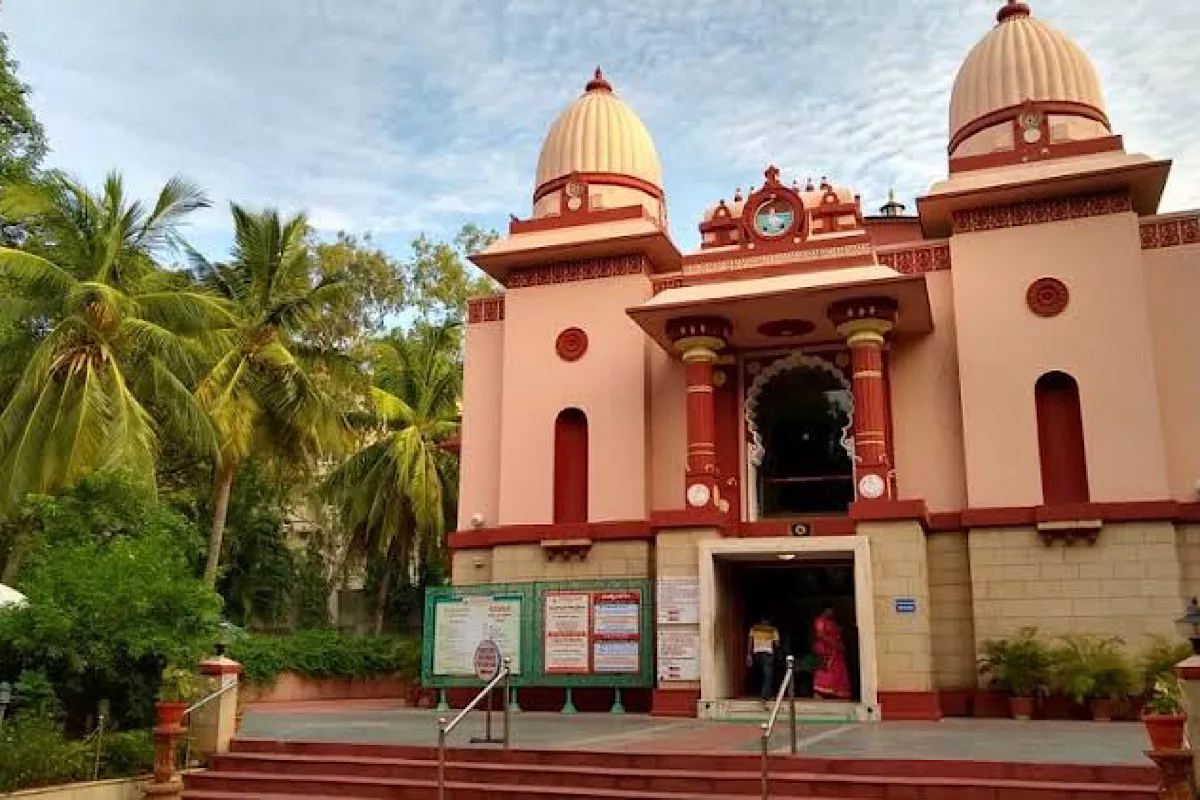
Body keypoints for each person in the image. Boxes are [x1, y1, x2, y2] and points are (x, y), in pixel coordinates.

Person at [813, 607, 851, 700]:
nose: (832, 612)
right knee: (824, 671)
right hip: (825, 651)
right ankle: (821, 692)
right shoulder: (820, 621)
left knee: (838, 671)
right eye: (830, 610)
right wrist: (833, 643)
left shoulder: (833, 623)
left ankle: (836, 691)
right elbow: (820, 634)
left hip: (836, 652)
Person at [747, 617, 780, 706]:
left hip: (757, 653)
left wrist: (749, 655)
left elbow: (750, 641)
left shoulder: (754, 628)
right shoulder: (773, 629)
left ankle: (766, 694)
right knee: (768, 674)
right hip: (768, 653)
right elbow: (777, 644)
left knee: (763, 674)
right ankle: (765, 696)